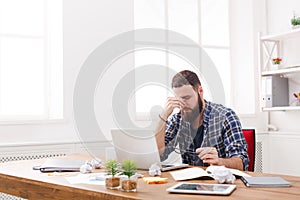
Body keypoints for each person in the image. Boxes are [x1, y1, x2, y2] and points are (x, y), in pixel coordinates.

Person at [155, 70, 249, 171]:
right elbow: (159, 155)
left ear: (200, 91)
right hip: (190, 182)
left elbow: (242, 163)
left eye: (186, 98)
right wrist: (163, 117)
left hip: (221, 181)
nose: (182, 105)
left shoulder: (225, 116)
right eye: (178, 100)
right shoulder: (177, 119)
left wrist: (219, 162)